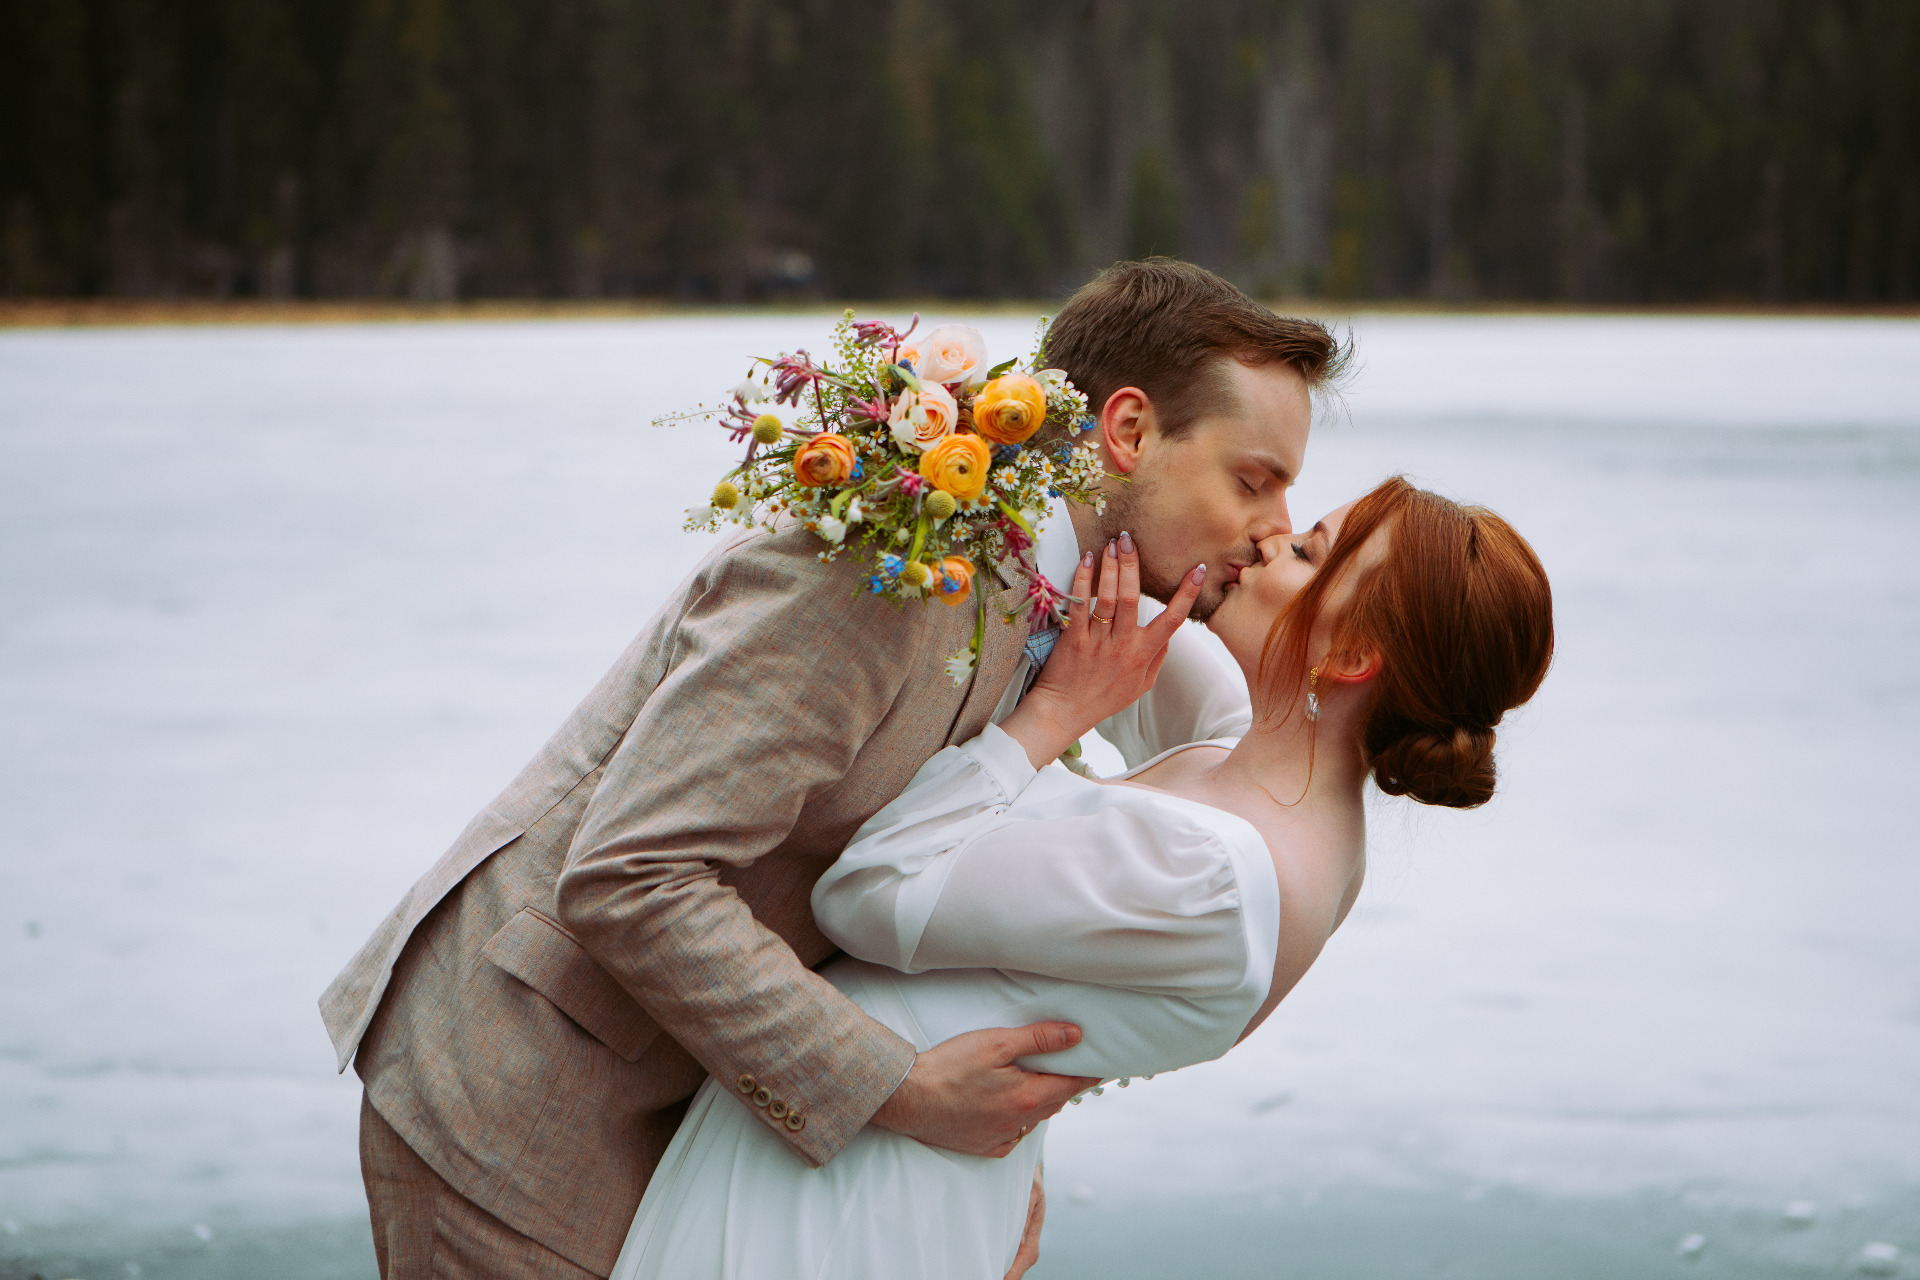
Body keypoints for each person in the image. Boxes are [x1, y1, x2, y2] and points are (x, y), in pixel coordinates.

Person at [319, 259, 1346, 1280]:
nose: (1276, 526)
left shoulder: (1067, 601)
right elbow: (633, 875)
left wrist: (990, 1174)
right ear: (1127, 432)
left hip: (689, 1100)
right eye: (1253, 480)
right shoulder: (876, 570)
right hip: (522, 1100)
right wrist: (903, 1092)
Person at [609, 476, 1555, 1280]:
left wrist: (1051, 716)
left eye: (1305, 552)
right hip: (873, 1155)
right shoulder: (1260, 765)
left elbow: (866, 894)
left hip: (843, 1208)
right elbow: (1114, 590)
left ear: (1350, 657)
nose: (1268, 540)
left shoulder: (1218, 873)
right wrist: (982, 452)